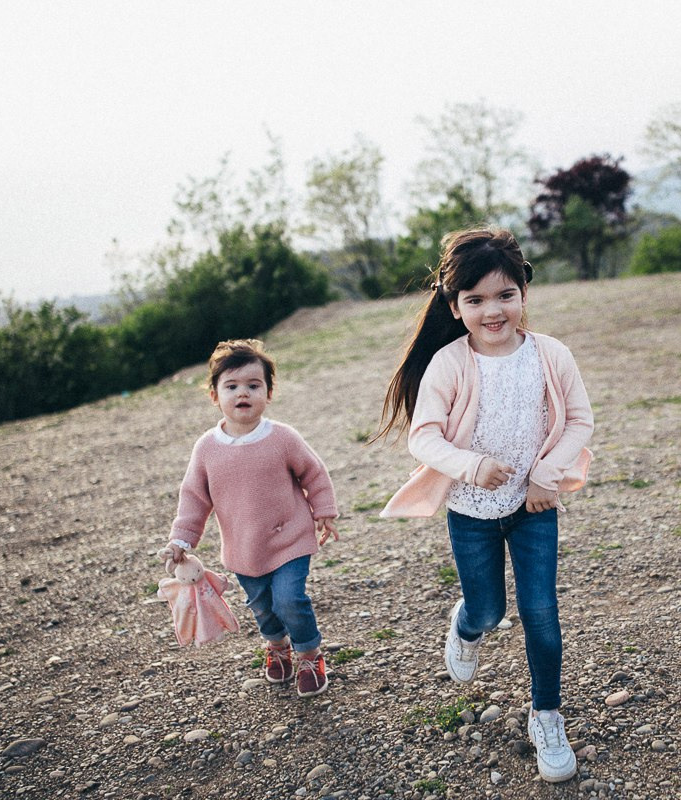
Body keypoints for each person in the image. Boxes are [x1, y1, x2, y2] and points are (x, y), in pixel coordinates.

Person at [374, 228, 593, 782]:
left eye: (504, 295)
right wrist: (472, 465)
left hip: (534, 509)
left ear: (524, 293)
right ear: (455, 305)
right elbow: (423, 437)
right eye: (475, 300)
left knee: (540, 612)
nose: (492, 311)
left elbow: (580, 420)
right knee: (489, 610)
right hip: (471, 512)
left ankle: (546, 714)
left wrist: (545, 476)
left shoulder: (551, 355)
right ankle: (467, 627)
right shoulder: (449, 363)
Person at [161, 338, 340, 697]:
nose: (243, 393)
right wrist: (182, 539)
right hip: (244, 548)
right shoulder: (207, 448)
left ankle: (309, 654)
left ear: (268, 393)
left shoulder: (282, 438)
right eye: (232, 386)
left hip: (289, 538)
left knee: (290, 599)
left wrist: (324, 512)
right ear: (215, 396)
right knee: (262, 607)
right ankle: (277, 648)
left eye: (253, 385)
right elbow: (194, 498)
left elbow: (314, 473)